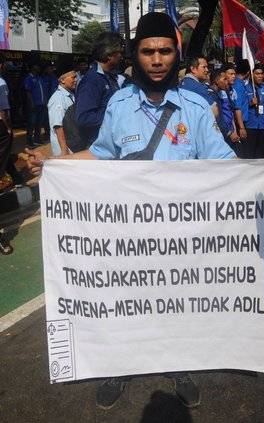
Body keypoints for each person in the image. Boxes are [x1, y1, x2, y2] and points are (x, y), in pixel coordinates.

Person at [28, 11, 235, 411]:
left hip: (181, 238)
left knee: (177, 303)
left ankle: (178, 365)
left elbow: (226, 166)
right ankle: (120, 365)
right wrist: (53, 161)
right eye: (147, 51)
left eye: (164, 51)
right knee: (125, 301)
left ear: (176, 54)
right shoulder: (119, 104)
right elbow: (101, 154)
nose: (156, 60)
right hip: (129, 238)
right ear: (135, 56)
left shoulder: (194, 108)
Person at [75, 31, 124, 148]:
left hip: (110, 143)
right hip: (98, 146)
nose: (122, 57)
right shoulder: (92, 80)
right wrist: (115, 117)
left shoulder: (108, 77)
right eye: (120, 53)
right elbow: (83, 118)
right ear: (109, 55)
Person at [0, 52, 24, 195]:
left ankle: (17, 179)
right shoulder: (1, 83)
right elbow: (2, 110)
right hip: (1, 126)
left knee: (5, 154)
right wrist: (9, 128)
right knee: (3, 154)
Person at [244, 64, 264, 158]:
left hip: (263, 126)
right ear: (251, 75)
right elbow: (240, 107)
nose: (260, 76)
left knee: (260, 154)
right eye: (257, 74)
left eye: (261, 74)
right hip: (250, 125)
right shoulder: (245, 88)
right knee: (249, 153)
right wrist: (250, 104)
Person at [47, 64, 77, 156]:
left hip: (73, 145)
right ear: (62, 80)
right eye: (73, 78)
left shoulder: (70, 94)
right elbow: (58, 126)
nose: (76, 80)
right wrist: (64, 151)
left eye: (76, 77)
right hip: (66, 150)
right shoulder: (58, 98)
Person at [207, 69, 240, 147]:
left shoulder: (217, 95)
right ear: (216, 81)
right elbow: (216, 120)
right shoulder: (211, 96)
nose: (227, 81)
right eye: (224, 79)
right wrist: (228, 133)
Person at [24, 63, 46, 148]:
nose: (39, 67)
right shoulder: (29, 78)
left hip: (41, 104)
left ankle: (37, 139)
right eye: (37, 65)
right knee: (31, 123)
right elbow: (28, 92)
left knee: (39, 123)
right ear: (33, 67)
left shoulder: (39, 78)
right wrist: (31, 103)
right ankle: (29, 141)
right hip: (34, 104)